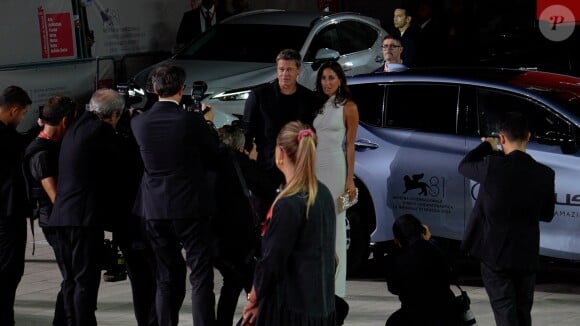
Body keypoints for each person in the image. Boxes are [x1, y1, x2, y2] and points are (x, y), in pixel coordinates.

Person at [131, 64, 221, 326]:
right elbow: (214, 154)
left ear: (155, 88)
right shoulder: (190, 121)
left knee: (166, 277)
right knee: (201, 276)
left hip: (154, 210)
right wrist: (207, 123)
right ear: (182, 88)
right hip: (190, 207)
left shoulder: (139, 122)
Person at [458, 112, 555, 326]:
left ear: (502, 138)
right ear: (528, 137)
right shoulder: (545, 174)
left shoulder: (493, 167)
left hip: (496, 256)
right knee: (522, 314)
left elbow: (464, 166)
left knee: (505, 314)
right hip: (527, 256)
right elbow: (547, 215)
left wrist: (486, 146)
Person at [242, 121, 336, 326]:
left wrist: (254, 297)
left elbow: (272, 262)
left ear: (281, 153)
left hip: (290, 310)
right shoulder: (324, 195)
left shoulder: (289, 204)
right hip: (321, 308)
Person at [48, 89, 126, 325]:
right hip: (82, 220)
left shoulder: (76, 128)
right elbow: (121, 162)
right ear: (112, 115)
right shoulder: (100, 130)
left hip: (61, 217)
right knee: (85, 281)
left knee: (71, 281)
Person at [22, 96, 80, 325]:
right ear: (65, 121)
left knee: (74, 276)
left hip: (58, 220)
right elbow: (55, 196)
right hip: (55, 223)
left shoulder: (51, 146)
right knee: (72, 277)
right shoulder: (41, 153)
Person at [243, 48, 317, 218]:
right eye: (281, 69)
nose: (285, 74)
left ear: (298, 70)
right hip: (267, 169)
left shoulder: (309, 99)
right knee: (264, 217)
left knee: (296, 216)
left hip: (297, 169)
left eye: (289, 69)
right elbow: (248, 132)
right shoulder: (259, 96)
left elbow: (313, 133)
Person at [312, 60, 359, 324]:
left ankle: (336, 288)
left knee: (337, 225)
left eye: (331, 77)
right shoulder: (318, 106)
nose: (327, 82)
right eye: (323, 78)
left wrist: (350, 180)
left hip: (335, 168)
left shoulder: (349, 107)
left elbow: (350, 146)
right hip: (315, 166)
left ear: (340, 79)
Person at [213, 123, 270, 326]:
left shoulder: (212, 164)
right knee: (255, 287)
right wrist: (252, 159)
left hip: (216, 239)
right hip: (239, 242)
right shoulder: (241, 164)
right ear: (240, 146)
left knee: (232, 283)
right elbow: (267, 185)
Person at [384, 214, 461, 326]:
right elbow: (454, 273)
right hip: (446, 313)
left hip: (414, 314)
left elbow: (393, 288)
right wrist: (430, 240)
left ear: (396, 239)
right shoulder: (435, 250)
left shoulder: (395, 259)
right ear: (422, 232)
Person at [0, 85, 32, 325]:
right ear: (13, 110)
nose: (22, 118)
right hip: (7, 217)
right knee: (9, 273)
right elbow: (21, 145)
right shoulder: (7, 137)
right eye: (23, 113)